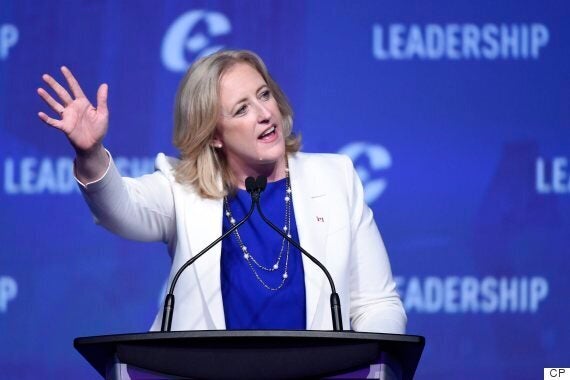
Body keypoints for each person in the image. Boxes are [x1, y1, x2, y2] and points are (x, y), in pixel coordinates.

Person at [37, 50, 406, 333]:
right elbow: (121, 210)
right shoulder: (182, 188)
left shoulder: (335, 177)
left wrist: (365, 368)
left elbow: (378, 303)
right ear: (213, 134)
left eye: (264, 95)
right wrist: (90, 155)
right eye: (241, 109)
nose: (264, 113)